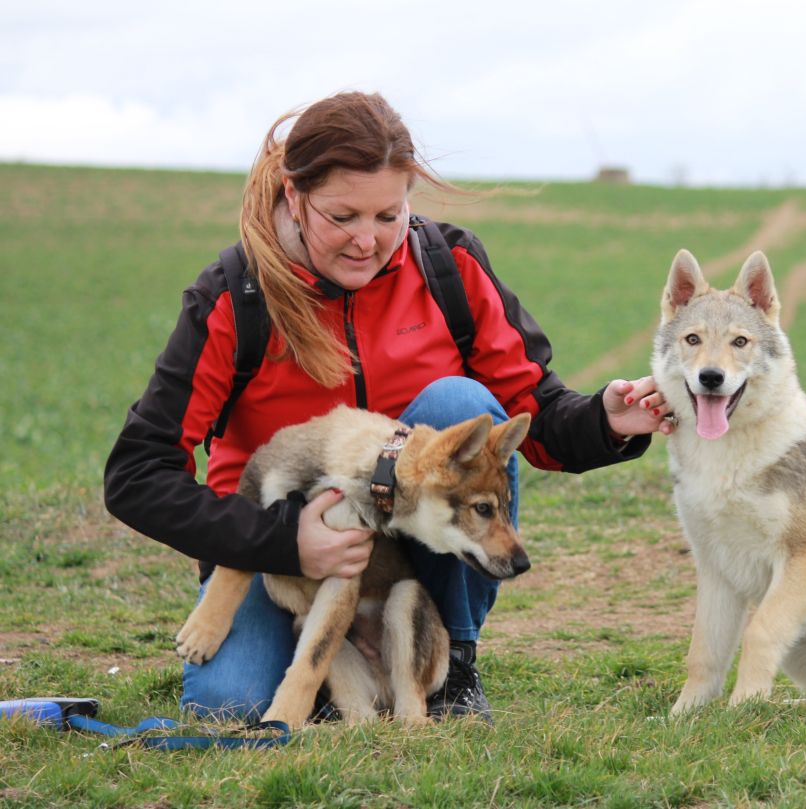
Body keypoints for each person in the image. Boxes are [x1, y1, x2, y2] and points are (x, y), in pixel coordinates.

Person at [104, 91, 673, 724]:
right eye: (342, 216)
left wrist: (605, 421)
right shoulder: (235, 295)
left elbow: (527, 408)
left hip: (408, 560)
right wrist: (285, 541)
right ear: (294, 197)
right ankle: (328, 675)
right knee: (224, 701)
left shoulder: (447, 266)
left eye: (388, 214)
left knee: (461, 402)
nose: (366, 241)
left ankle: (451, 666)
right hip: (268, 551)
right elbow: (138, 476)